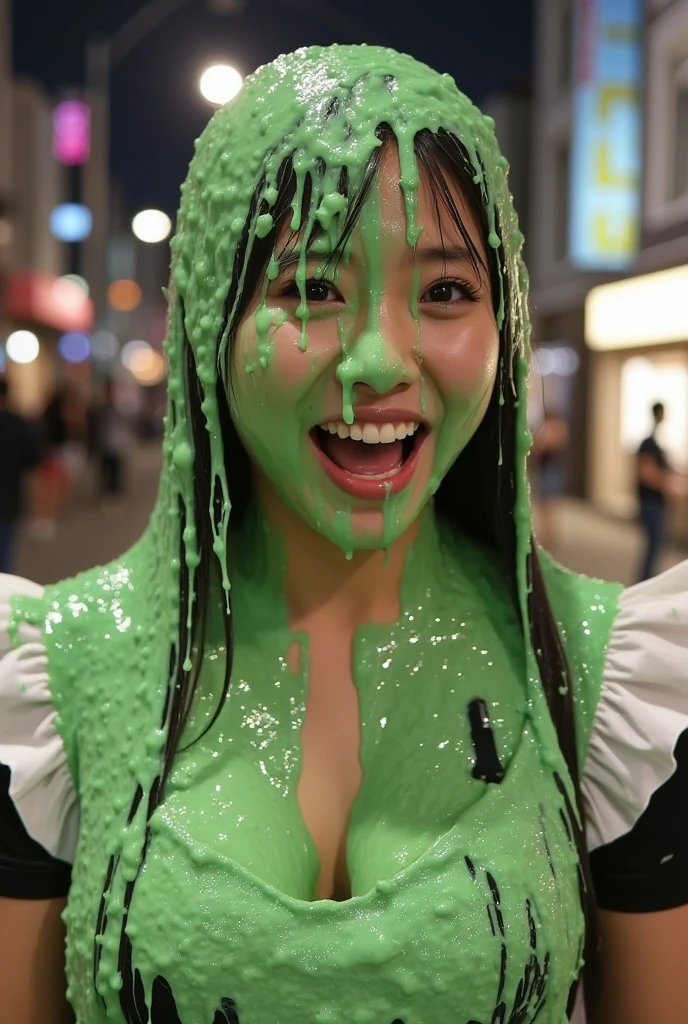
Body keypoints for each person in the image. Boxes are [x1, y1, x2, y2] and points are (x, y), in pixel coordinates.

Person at [0, 45, 687, 1024]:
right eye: (311, 287)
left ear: (506, 324)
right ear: (208, 323)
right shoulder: (53, 681)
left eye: (445, 291)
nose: (378, 360)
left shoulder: (608, 678)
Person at [0, 377, 42, 573]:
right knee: (4, 560)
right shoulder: (18, 424)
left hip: (9, 502)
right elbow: (34, 461)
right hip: (9, 501)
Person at [636, 401, 679, 581]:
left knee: (656, 546)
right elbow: (644, 472)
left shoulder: (655, 442)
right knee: (653, 546)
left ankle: (646, 581)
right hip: (650, 501)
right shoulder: (648, 443)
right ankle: (645, 582)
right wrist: (667, 485)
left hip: (655, 501)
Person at [530, 407, 569, 550]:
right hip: (545, 469)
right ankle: (548, 533)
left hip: (551, 469)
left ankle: (550, 534)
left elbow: (547, 446)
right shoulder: (551, 428)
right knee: (544, 504)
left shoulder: (555, 428)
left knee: (549, 504)